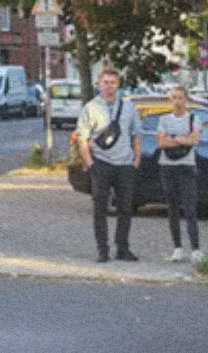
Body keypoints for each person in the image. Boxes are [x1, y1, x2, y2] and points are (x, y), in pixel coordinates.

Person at [76, 68, 141, 263]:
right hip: (101, 163)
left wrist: (136, 158)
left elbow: (136, 133)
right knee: (100, 208)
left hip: (124, 164)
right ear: (99, 83)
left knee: (125, 208)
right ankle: (102, 250)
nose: (109, 85)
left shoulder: (128, 107)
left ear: (118, 84)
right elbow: (82, 137)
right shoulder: (90, 107)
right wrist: (90, 163)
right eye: (105, 82)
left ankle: (122, 248)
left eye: (113, 82)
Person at [156, 84, 202, 264]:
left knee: (190, 208)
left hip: (186, 166)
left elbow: (195, 139)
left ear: (186, 99)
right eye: (174, 97)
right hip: (167, 166)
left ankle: (196, 248)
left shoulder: (193, 119)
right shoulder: (164, 120)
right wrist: (182, 140)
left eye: (181, 97)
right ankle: (177, 247)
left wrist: (173, 138)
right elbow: (161, 142)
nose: (177, 101)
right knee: (172, 207)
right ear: (170, 100)